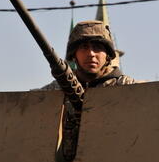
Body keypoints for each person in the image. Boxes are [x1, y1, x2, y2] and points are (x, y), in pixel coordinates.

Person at [42, 20, 136, 161]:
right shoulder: (56, 90)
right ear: (74, 54)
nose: (91, 53)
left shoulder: (128, 88)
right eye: (84, 47)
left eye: (97, 47)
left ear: (108, 55)